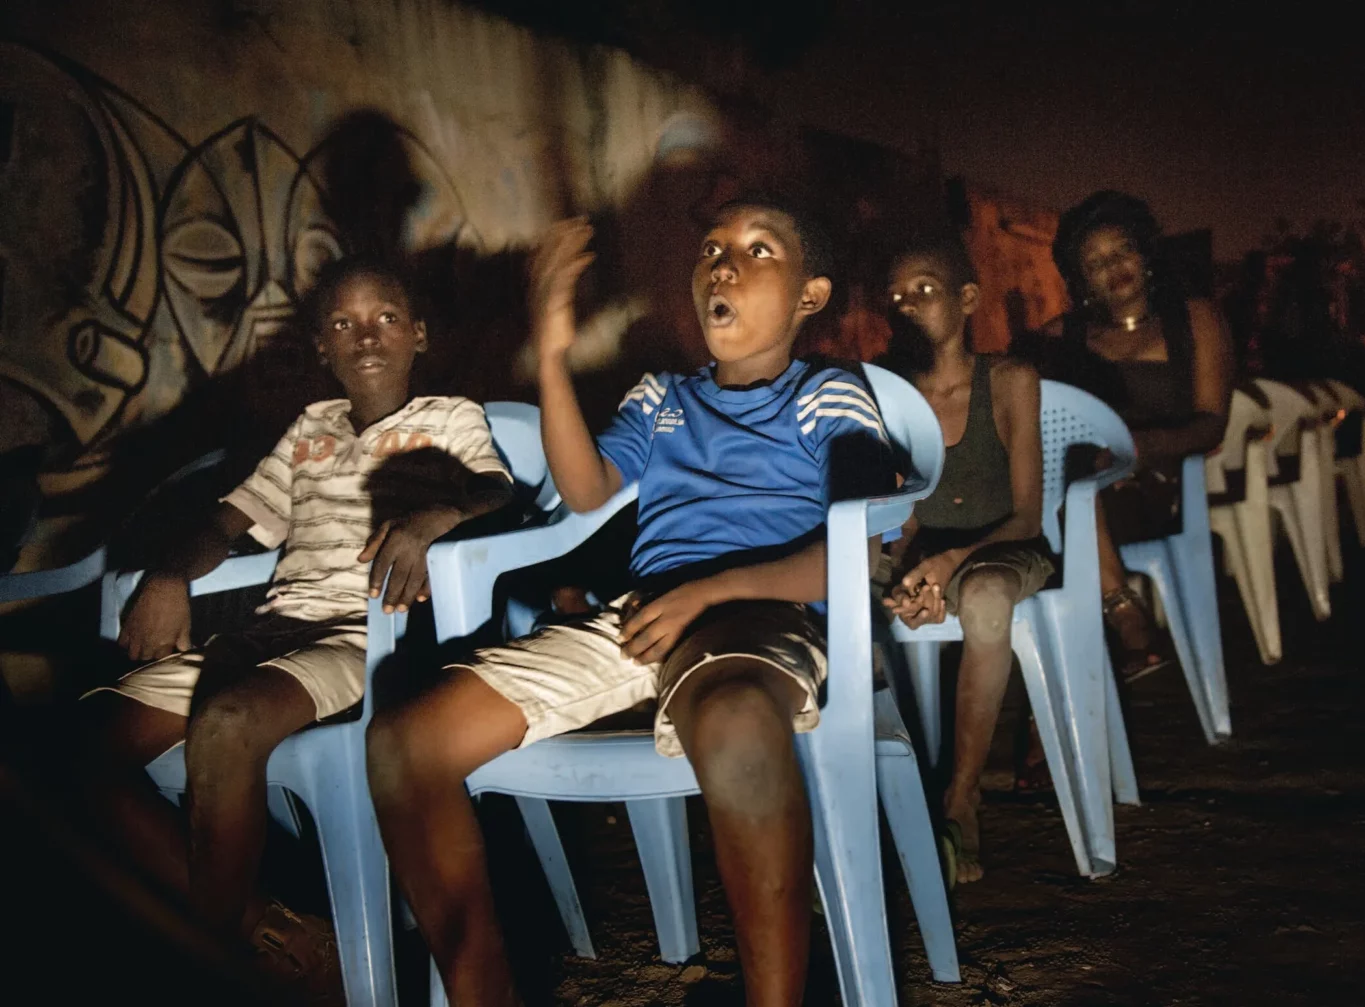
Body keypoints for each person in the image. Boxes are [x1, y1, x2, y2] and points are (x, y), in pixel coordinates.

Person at [365, 196, 893, 1007]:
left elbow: (854, 548)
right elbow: (586, 490)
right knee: (407, 744)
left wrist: (705, 591)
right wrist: (550, 357)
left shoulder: (828, 394)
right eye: (711, 248)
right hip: (638, 618)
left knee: (737, 718)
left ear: (810, 297)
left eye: (758, 251)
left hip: (760, 612)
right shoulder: (663, 397)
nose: (724, 264)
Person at [73, 257, 515, 997]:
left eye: (385, 318)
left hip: (366, 635)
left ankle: (208, 968)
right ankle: (274, 934)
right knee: (83, 749)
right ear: (321, 347)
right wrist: (170, 575)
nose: (365, 336)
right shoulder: (310, 429)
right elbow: (225, 522)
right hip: (271, 632)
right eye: (343, 323)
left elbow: (498, 493)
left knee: (228, 721)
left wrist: (435, 518)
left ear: (418, 334)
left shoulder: (450, 418)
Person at [877, 231, 1053, 884]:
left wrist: (952, 563)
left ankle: (961, 798)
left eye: (924, 289)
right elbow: (905, 517)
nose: (908, 305)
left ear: (968, 299)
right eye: (897, 296)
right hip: (932, 553)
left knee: (983, 598)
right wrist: (907, 576)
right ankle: (867, 799)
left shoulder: (1009, 379)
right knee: (837, 597)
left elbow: (1027, 514)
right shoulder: (891, 393)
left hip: (1002, 550)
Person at [1041, 191, 1235, 680]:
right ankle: (1115, 617)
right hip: (1077, 487)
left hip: (1160, 485)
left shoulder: (1193, 319)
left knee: (1071, 486)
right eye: (1095, 263)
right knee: (1062, 473)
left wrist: (1139, 448)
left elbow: (1213, 421)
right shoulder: (1061, 337)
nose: (1113, 268)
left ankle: (1122, 619)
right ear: (1081, 279)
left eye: (1121, 251)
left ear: (1145, 253)